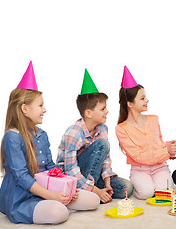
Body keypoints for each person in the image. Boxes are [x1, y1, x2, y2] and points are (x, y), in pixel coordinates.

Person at [0, 62, 99, 224]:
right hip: (23, 196)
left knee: (93, 200)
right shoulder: (13, 137)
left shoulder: (42, 135)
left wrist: (67, 187)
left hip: (48, 190)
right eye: (40, 105)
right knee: (58, 213)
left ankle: (56, 204)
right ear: (24, 109)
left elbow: (51, 167)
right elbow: (22, 177)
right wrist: (51, 196)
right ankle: (53, 206)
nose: (45, 110)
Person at [56, 69, 133, 203]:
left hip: (94, 177)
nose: (107, 111)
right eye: (103, 109)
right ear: (88, 113)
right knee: (102, 144)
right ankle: (91, 191)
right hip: (73, 178)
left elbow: (105, 159)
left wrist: (107, 182)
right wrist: (96, 190)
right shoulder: (74, 133)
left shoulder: (102, 128)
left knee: (126, 188)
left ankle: (94, 190)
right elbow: (70, 170)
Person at [115, 66, 176, 199]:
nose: (147, 100)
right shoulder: (121, 129)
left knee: (164, 192)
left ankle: (169, 185)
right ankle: (143, 186)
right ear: (130, 104)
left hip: (160, 167)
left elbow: (158, 143)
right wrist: (166, 151)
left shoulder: (153, 119)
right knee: (146, 193)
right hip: (140, 171)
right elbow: (138, 156)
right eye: (142, 98)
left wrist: (171, 147)